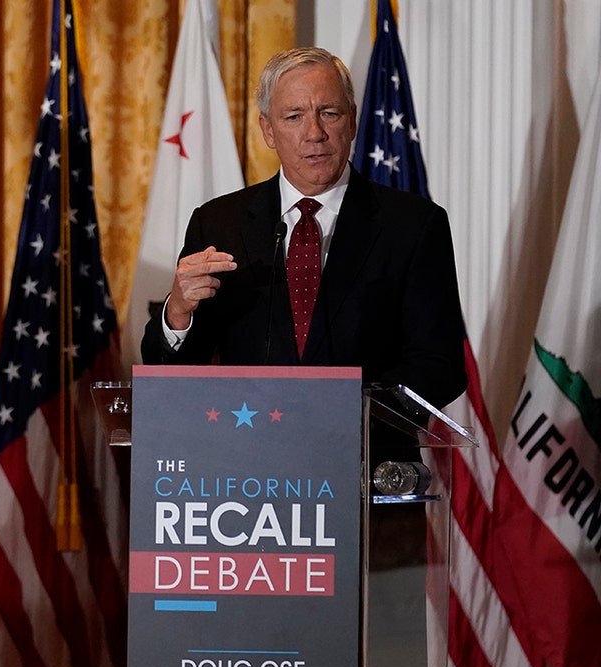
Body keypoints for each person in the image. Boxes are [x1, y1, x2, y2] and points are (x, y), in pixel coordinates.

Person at [141, 47, 466, 413]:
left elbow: (442, 368)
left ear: (353, 121)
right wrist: (178, 313)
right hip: (251, 457)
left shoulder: (414, 225)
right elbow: (170, 370)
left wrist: (344, 414)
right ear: (268, 130)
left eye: (329, 113)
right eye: (294, 116)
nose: (315, 133)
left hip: (366, 456)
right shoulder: (219, 222)